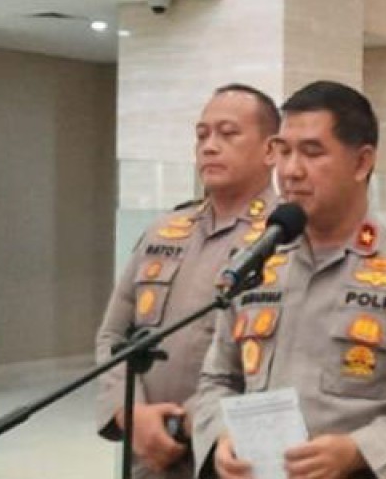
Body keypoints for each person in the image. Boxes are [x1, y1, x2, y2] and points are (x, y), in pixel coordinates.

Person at [191, 80, 386, 479]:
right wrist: (221, 435)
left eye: (312, 152)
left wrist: (360, 450)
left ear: (361, 163)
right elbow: (217, 378)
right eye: (283, 151)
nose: (290, 171)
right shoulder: (255, 263)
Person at [95, 84, 281, 479]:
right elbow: (113, 334)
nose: (209, 146)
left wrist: (178, 427)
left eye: (228, 134)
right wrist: (128, 413)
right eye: (202, 135)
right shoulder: (165, 231)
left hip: (229, 455)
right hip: (145, 453)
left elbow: (278, 363)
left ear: (271, 151)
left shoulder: (287, 239)